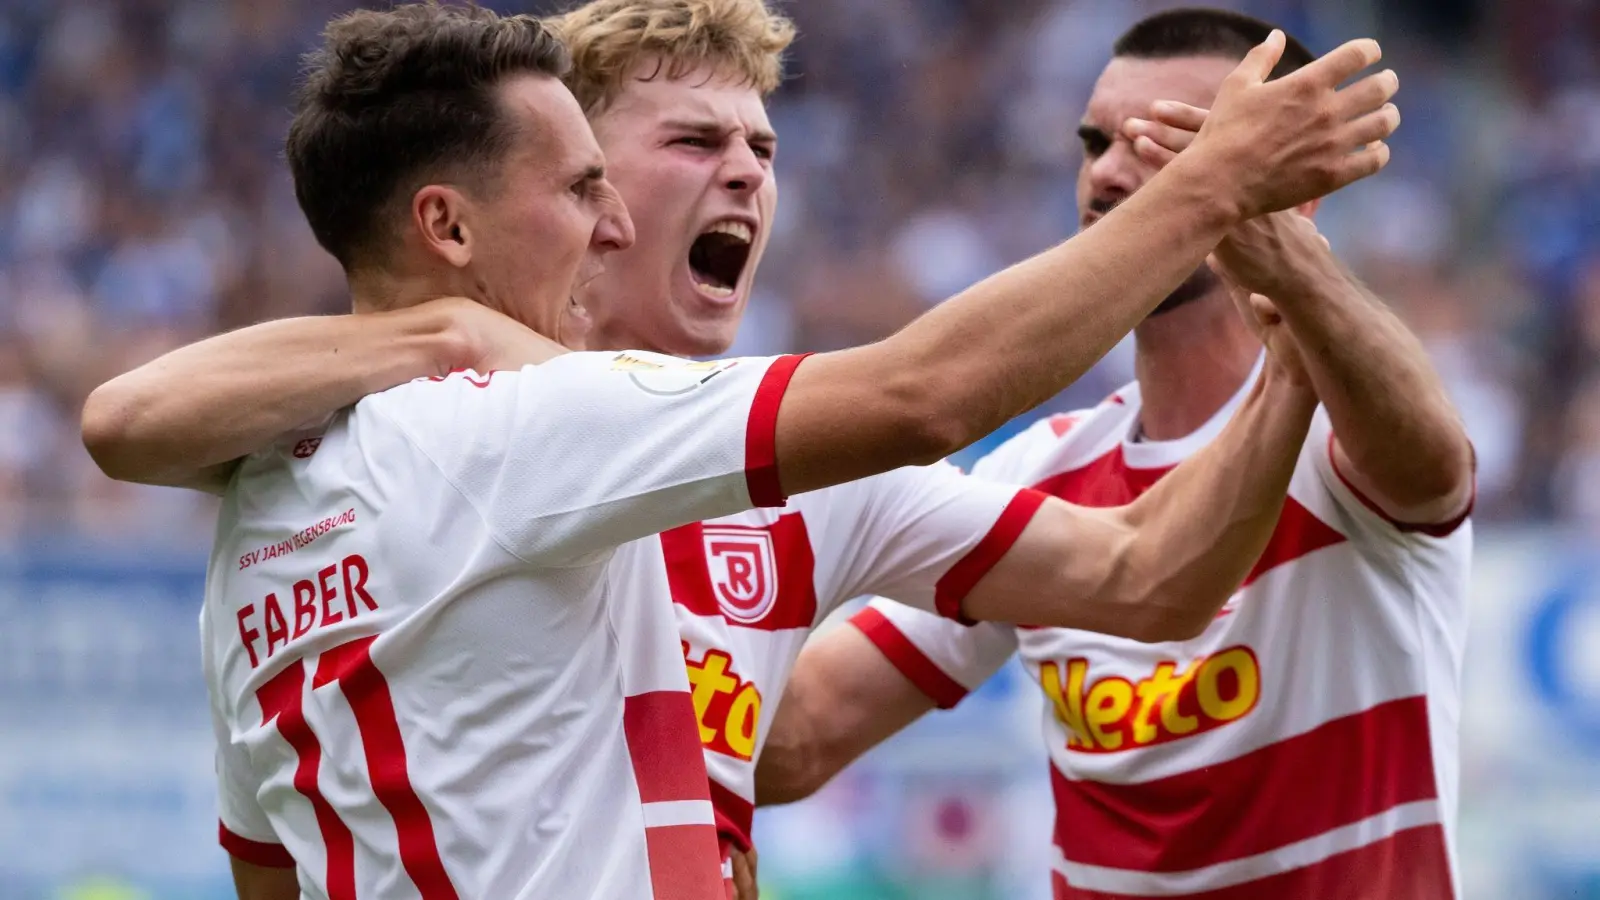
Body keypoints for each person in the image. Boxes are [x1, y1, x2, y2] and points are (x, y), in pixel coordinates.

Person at [78, 3, 1401, 898]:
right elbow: (929, 390)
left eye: (764, 146)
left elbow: (1145, 582)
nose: (749, 177)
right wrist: (1209, 182)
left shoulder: (271, 491)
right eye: (684, 146)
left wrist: (1291, 350)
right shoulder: (526, 427)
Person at [754, 10, 1475, 900]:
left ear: (1297, 193)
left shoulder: (1340, 430)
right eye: (1094, 142)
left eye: (1169, 145)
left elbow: (1435, 465)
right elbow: (803, 734)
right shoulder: (1042, 473)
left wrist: (1296, 270)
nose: (1108, 171)